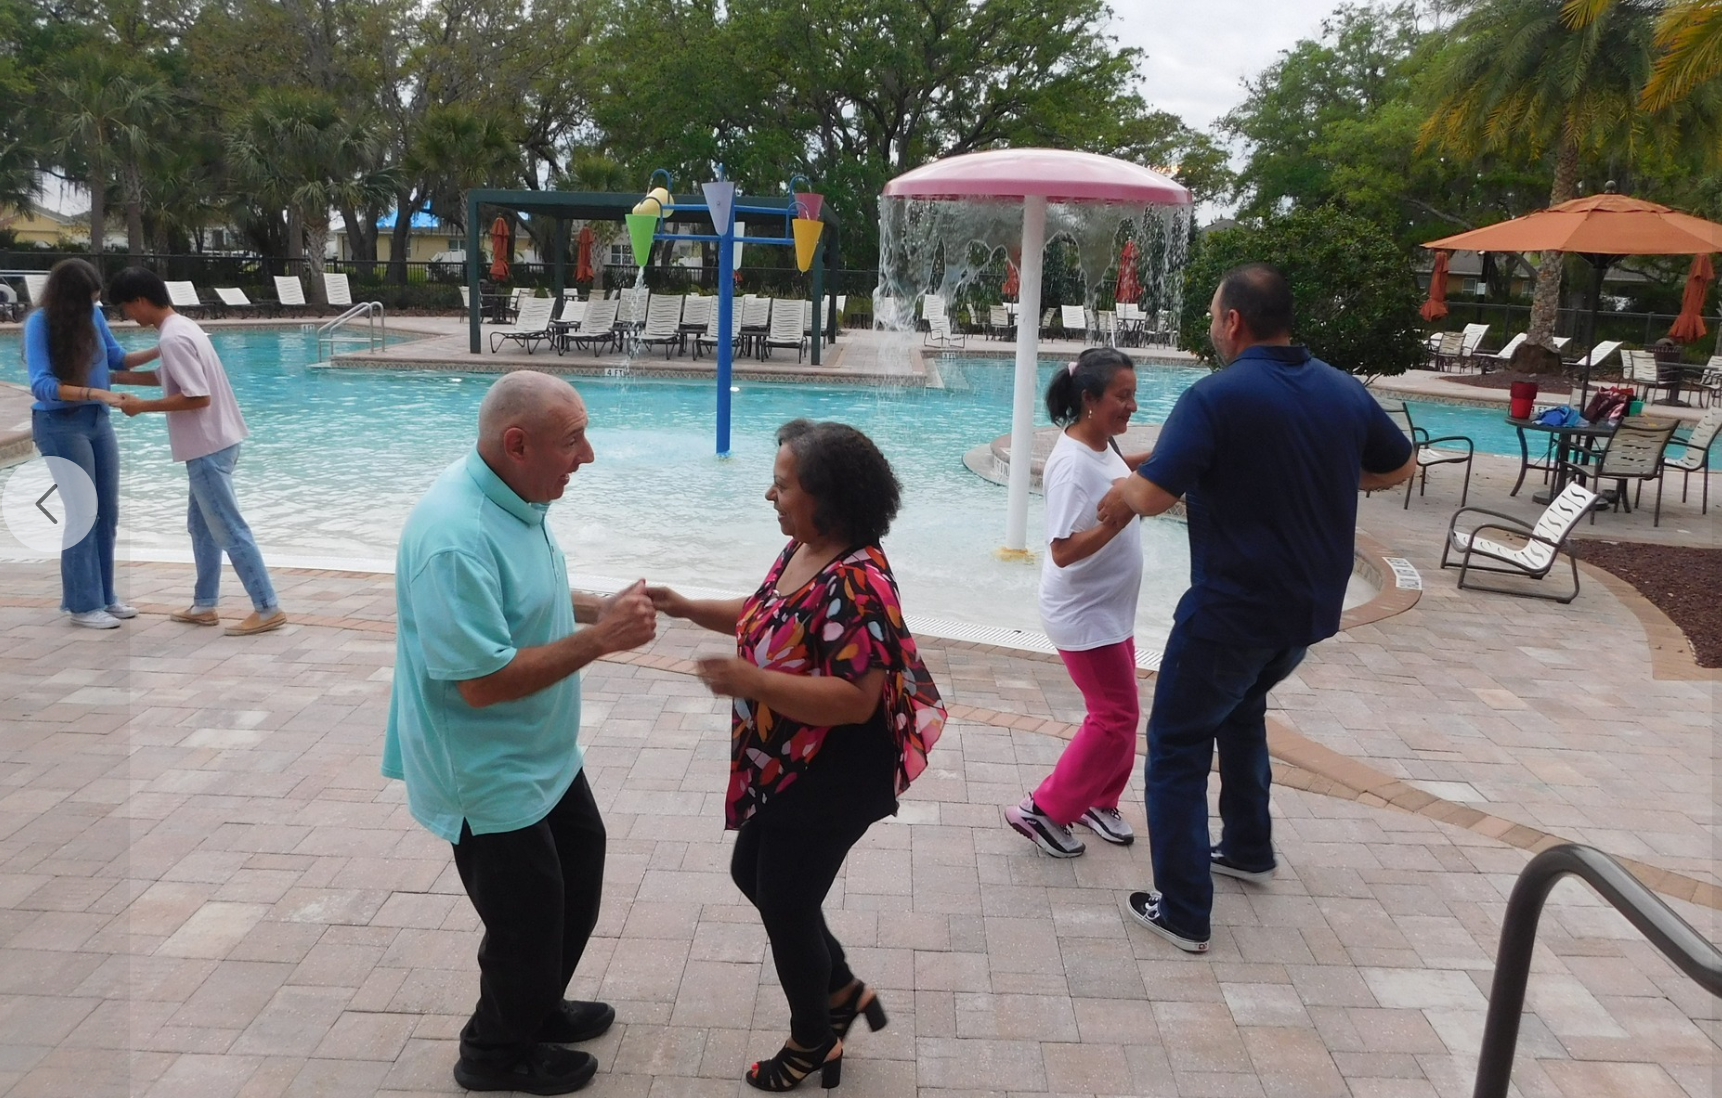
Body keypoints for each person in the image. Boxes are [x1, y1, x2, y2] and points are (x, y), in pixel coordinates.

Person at [1097, 264, 1416, 954]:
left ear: (1233, 321)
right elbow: (1399, 466)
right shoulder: (1340, 389)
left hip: (1232, 610)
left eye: (1214, 316)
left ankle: (1181, 908)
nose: (1213, 327)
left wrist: (1119, 494)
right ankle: (1247, 847)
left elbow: (1153, 497)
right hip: (1305, 615)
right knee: (1240, 713)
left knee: (1177, 746)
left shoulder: (1216, 396)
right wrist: (1328, 471)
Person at [648, 419, 946, 1091]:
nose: (770, 496)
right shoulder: (802, 549)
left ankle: (813, 1040)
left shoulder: (860, 581)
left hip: (834, 772)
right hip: (790, 763)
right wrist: (687, 607)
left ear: (826, 497)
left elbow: (855, 699)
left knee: (783, 899)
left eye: (783, 485)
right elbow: (763, 614)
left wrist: (752, 682)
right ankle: (840, 992)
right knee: (756, 874)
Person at [383, 371, 657, 1095]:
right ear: (517, 443)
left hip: (540, 752)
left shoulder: (515, 494)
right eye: (573, 442)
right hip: (483, 767)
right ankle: (494, 1052)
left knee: (578, 879)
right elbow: (481, 682)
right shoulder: (456, 536)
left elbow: (524, 595)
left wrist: (599, 607)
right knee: (527, 921)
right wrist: (602, 641)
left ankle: (533, 1006)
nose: (587, 456)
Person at [1005, 347, 1150, 858]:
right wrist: (1123, 513)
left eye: (1134, 394)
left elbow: (1111, 470)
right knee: (1113, 717)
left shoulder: (1101, 441)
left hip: (1111, 610)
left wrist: (1151, 466)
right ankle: (1043, 810)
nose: (1132, 406)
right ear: (1089, 399)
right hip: (1084, 615)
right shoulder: (1068, 465)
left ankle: (1097, 799)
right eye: (1122, 396)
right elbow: (1063, 552)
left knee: (1122, 716)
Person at [106, 267, 288, 636]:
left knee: (229, 529)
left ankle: (267, 607)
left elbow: (197, 395)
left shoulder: (172, 338)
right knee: (202, 527)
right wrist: (114, 378)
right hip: (219, 440)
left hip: (208, 447)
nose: (129, 317)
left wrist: (142, 407)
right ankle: (205, 604)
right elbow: (168, 376)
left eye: (127, 308)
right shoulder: (183, 327)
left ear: (140, 301)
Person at [22, 258, 158, 628]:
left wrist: (164, 345)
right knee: (82, 513)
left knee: (107, 513)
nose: (94, 307)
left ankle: (104, 595)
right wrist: (95, 392)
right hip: (60, 425)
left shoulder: (93, 316)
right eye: (88, 301)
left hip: (97, 421)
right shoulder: (39, 324)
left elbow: (116, 358)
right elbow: (42, 384)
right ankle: (83, 606)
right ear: (69, 299)